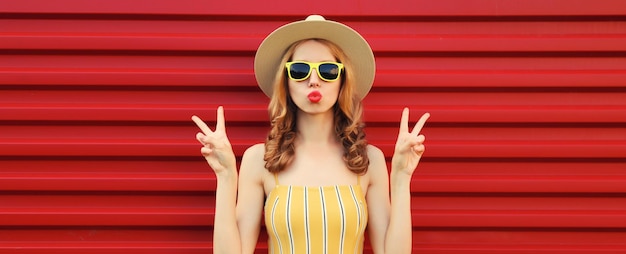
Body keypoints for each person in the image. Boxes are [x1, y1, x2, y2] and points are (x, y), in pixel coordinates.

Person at [192, 15, 430, 254]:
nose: (314, 81)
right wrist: (225, 178)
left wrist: (401, 178)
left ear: (342, 80)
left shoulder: (368, 160)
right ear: (286, 81)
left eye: (327, 70)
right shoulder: (259, 160)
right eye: (299, 70)